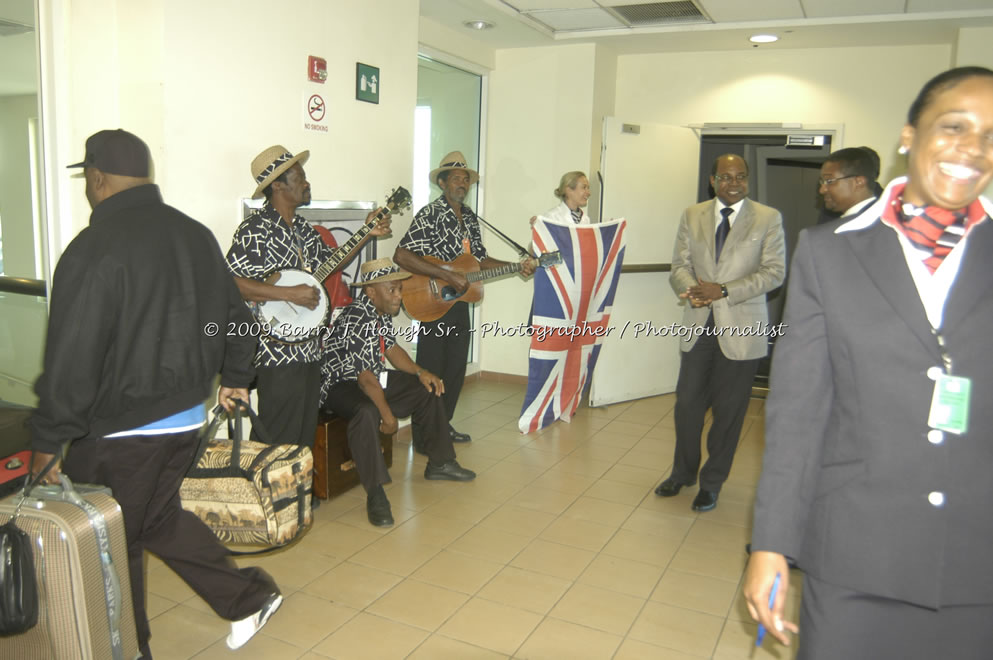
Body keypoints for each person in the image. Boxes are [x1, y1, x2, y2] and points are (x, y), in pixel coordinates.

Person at [744, 66, 993, 659]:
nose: (972, 148)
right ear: (909, 135)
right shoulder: (830, 253)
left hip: (977, 563)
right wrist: (771, 543)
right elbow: (799, 412)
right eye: (954, 126)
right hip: (856, 554)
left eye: (990, 136)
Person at [27, 129, 282, 656]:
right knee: (156, 520)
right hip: (186, 418)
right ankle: (247, 598)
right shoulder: (194, 235)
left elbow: (72, 359)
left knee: (112, 541)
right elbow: (236, 320)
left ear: (95, 179)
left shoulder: (93, 249)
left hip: (123, 432)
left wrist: (49, 438)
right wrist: (235, 377)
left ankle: (126, 648)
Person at [226, 145, 389, 449]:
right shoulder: (254, 230)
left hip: (311, 348)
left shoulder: (302, 228)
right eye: (299, 177)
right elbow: (232, 282)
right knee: (275, 433)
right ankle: (265, 492)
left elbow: (331, 261)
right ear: (277, 185)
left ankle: (297, 490)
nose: (306, 183)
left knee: (303, 431)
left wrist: (366, 232)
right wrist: (289, 293)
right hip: (276, 352)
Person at [654, 154, 786, 512]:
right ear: (713, 180)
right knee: (687, 407)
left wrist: (723, 290)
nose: (733, 184)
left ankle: (712, 483)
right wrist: (691, 288)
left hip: (743, 328)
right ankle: (683, 473)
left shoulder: (767, 218)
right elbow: (679, 265)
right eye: (725, 177)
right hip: (699, 325)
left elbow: (774, 273)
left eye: (740, 177)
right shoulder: (692, 214)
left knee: (729, 413)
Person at [394, 151, 535, 448]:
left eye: (466, 179)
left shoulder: (469, 217)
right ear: (442, 183)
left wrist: (515, 266)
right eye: (456, 178)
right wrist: (445, 274)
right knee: (432, 369)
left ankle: (442, 427)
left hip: (458, 304)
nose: (462, 183)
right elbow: (402, 255)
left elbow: (478, 260)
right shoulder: (430, 214)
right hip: (432, 304)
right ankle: (423, 436)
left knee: (455, 369)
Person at [320, 258, 476, 527]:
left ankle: (440, 463)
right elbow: (365, 379)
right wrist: (388, 417)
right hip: (340, 384)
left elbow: (391, 349)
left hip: (369, 377)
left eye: (399, 289)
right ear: (371, 292)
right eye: (392, 290)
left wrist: (420, 372)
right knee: (368, 410)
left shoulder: (378, 314)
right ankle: (376, 493)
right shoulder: (357, 317)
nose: (398, 296)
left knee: (426, 388)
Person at [816, 146, 882, 223]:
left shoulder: (889, 211)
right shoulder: (832, 204)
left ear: (859, 181)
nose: (822, 190)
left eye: (829, 181)